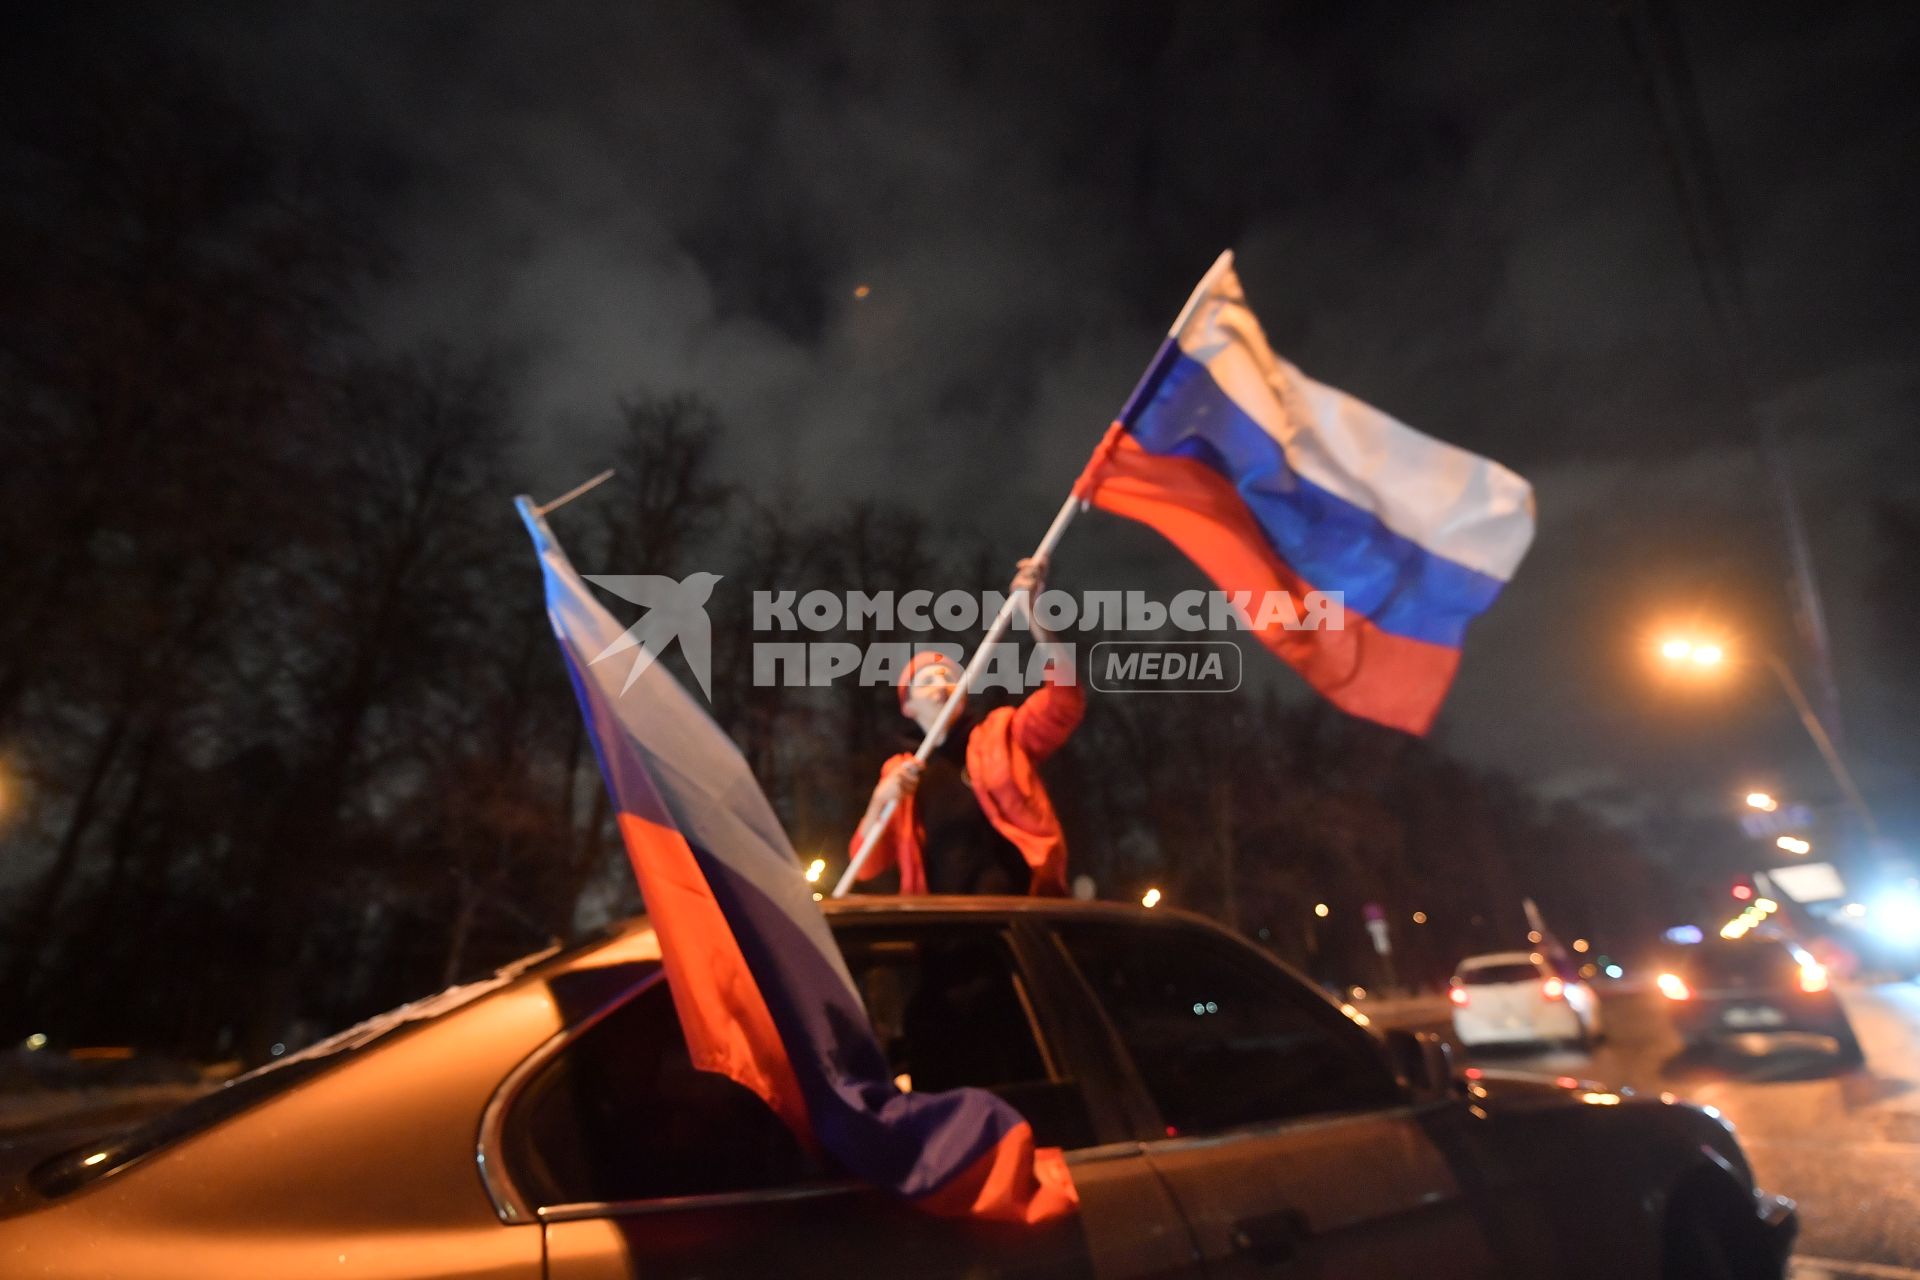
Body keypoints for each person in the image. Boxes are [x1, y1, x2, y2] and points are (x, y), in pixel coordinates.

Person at [849, 556, 1083, 896]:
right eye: (928, 679)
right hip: (942, 932)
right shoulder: (902, 773)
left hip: (1017, 919)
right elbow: (865, 865)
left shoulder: (1001, 735)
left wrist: (1035, 616)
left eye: (950, 677)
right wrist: (879, 802)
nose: (942, 683)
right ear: (908, 707)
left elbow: (1065, 701)